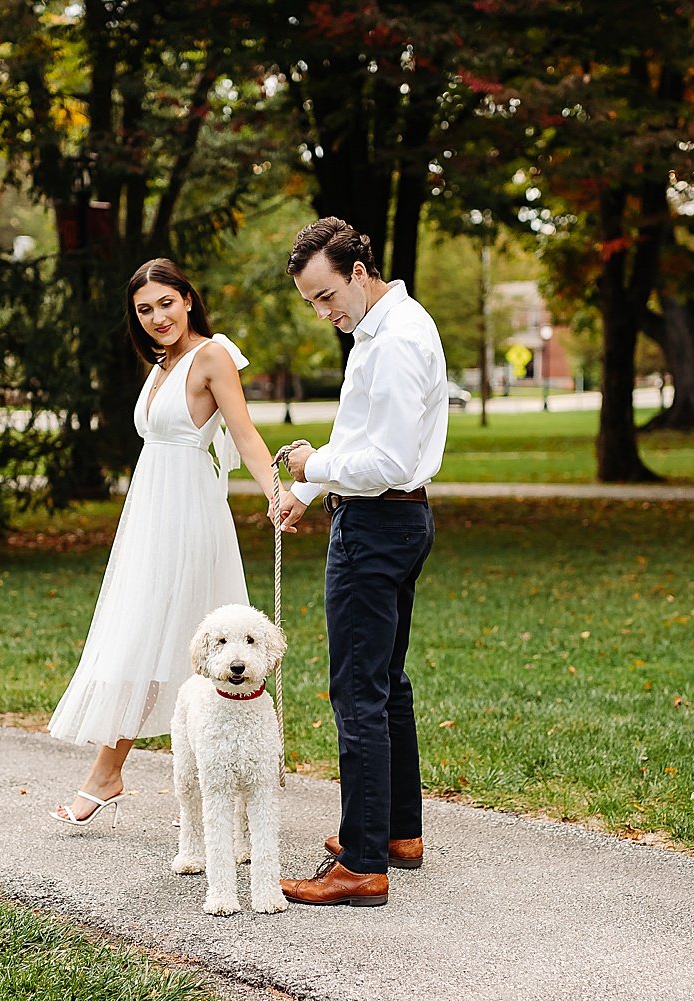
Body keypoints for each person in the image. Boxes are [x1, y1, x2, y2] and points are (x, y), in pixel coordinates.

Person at [48, 258, 285, 827]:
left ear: (187, 298)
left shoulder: (212, 356)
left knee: (167, 638)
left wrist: (277, 493)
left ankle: (113, 773)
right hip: (150, 516)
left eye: (165, 303)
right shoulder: (161, 365)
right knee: (141, 634)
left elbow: (246, 435)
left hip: (190, 517)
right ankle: (123, 775)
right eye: (144, 309)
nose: (157, 317)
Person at [274, 217, 447, 906]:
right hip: (390, 518)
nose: (324, 313)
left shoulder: (397, 340)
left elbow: (389, 459)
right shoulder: (378, 330)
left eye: (326, 296)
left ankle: (363, 859)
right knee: (385, 682)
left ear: (358, 271)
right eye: (311, 302)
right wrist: (306, 490)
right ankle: (398, 831)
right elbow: (361, 438)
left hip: (379, 525)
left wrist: (314, 461)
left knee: (357, 691)